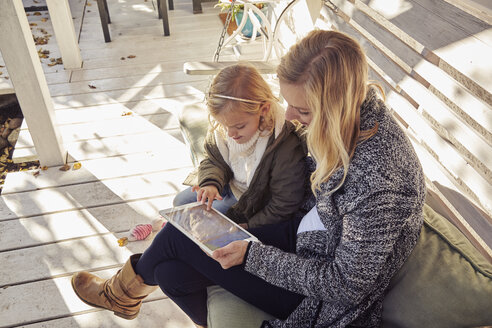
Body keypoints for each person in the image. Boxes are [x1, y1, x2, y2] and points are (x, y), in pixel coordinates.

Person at [71, 30, 426, 328]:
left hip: (320, 297)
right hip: (304, 237)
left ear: (336, 106)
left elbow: (344, 285)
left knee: (176, 245)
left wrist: (252, 255)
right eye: (289, 104)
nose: (290, 116)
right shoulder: (346, 121)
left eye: (303, 111)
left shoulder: (380, 178)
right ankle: (125, 295)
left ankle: (118, 295)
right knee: (172, 269)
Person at [172, 63, 308, 229]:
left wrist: (249, 225)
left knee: (206, 221)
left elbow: (284, 203)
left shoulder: (284, 145)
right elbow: (214, 160)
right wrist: (210, 183)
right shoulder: (225, 125)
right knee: (180, 203)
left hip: (252, 204)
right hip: (227, 185)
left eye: (240, 126)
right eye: (224, 125)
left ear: (263, 109)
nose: (230, 133)